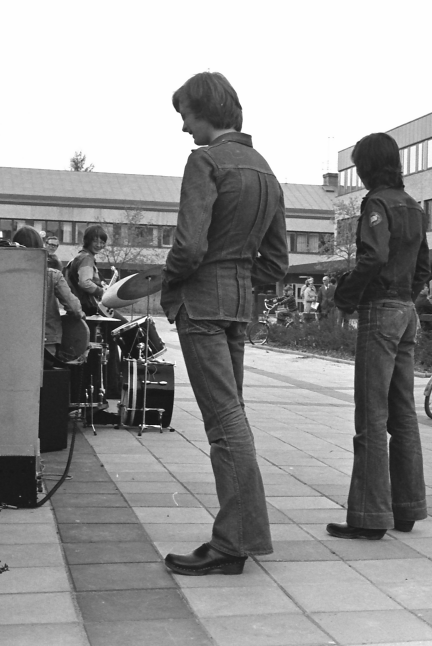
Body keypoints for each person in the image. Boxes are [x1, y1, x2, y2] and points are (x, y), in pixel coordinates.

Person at [161, 72, 288, 576]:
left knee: (223, 421)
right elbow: (276, 262)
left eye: (186, 116)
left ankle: (235, 541)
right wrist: (240, 278)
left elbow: (189, 246)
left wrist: (171, 283)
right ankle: (239, 537)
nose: (184, 128)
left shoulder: (205, 161)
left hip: (203, 304)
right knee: (232, 416)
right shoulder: (265, 170)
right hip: (238, 306)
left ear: (206, 111)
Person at [327, 132, 430, 541]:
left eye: (358, 165)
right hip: (406, 310)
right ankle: (407, 508)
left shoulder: (378, 203)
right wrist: (405, 298)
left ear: (370, 165)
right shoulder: (414, 206)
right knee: (402, 411)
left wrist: (347, 294)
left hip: (381, 310)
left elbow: (374, 256)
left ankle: (370, 516)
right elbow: (423, 266)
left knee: (371, 414)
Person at [11, 226, 84, 357]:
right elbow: (74, 308)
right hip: (46, 345)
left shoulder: (4, 277)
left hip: (12, 342)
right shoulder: (53, 276)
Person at [65, 225, 109, 316]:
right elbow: (85, 283)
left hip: (77, 307)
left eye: (102, 242)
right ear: (87, 240)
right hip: (86, 308)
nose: (99, 245)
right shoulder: (87, 258)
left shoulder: (80, 257)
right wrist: (103, 292)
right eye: (95, 241)